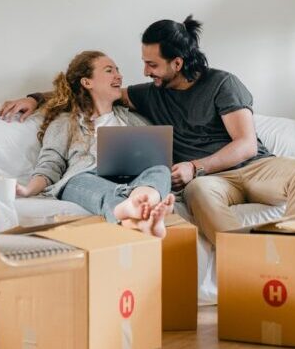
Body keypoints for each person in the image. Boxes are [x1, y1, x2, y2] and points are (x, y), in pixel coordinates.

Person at [0, 16, 295, 244]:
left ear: (177, 63)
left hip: (253, 169)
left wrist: (194, 167)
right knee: (197, 193)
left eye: (152, 64)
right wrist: (35, 98)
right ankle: (244, 258)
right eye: (142, 62)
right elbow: (80, 99)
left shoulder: (222, 84)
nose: (142, 71)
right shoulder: (145, 95)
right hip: (207, 184)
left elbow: (246, 145)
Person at [15, 50, 175, 237]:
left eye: (118, 70)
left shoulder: (134, 119)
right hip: (87, 178)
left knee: (160, 169)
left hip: (133, 180)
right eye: (109, 70)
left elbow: (157, 158)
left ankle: (142, 206)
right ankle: (133, 211)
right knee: (76, 180)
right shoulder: (65, 122)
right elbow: (50, 164)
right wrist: (28, 190)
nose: (119, 76)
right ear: (87, 82)